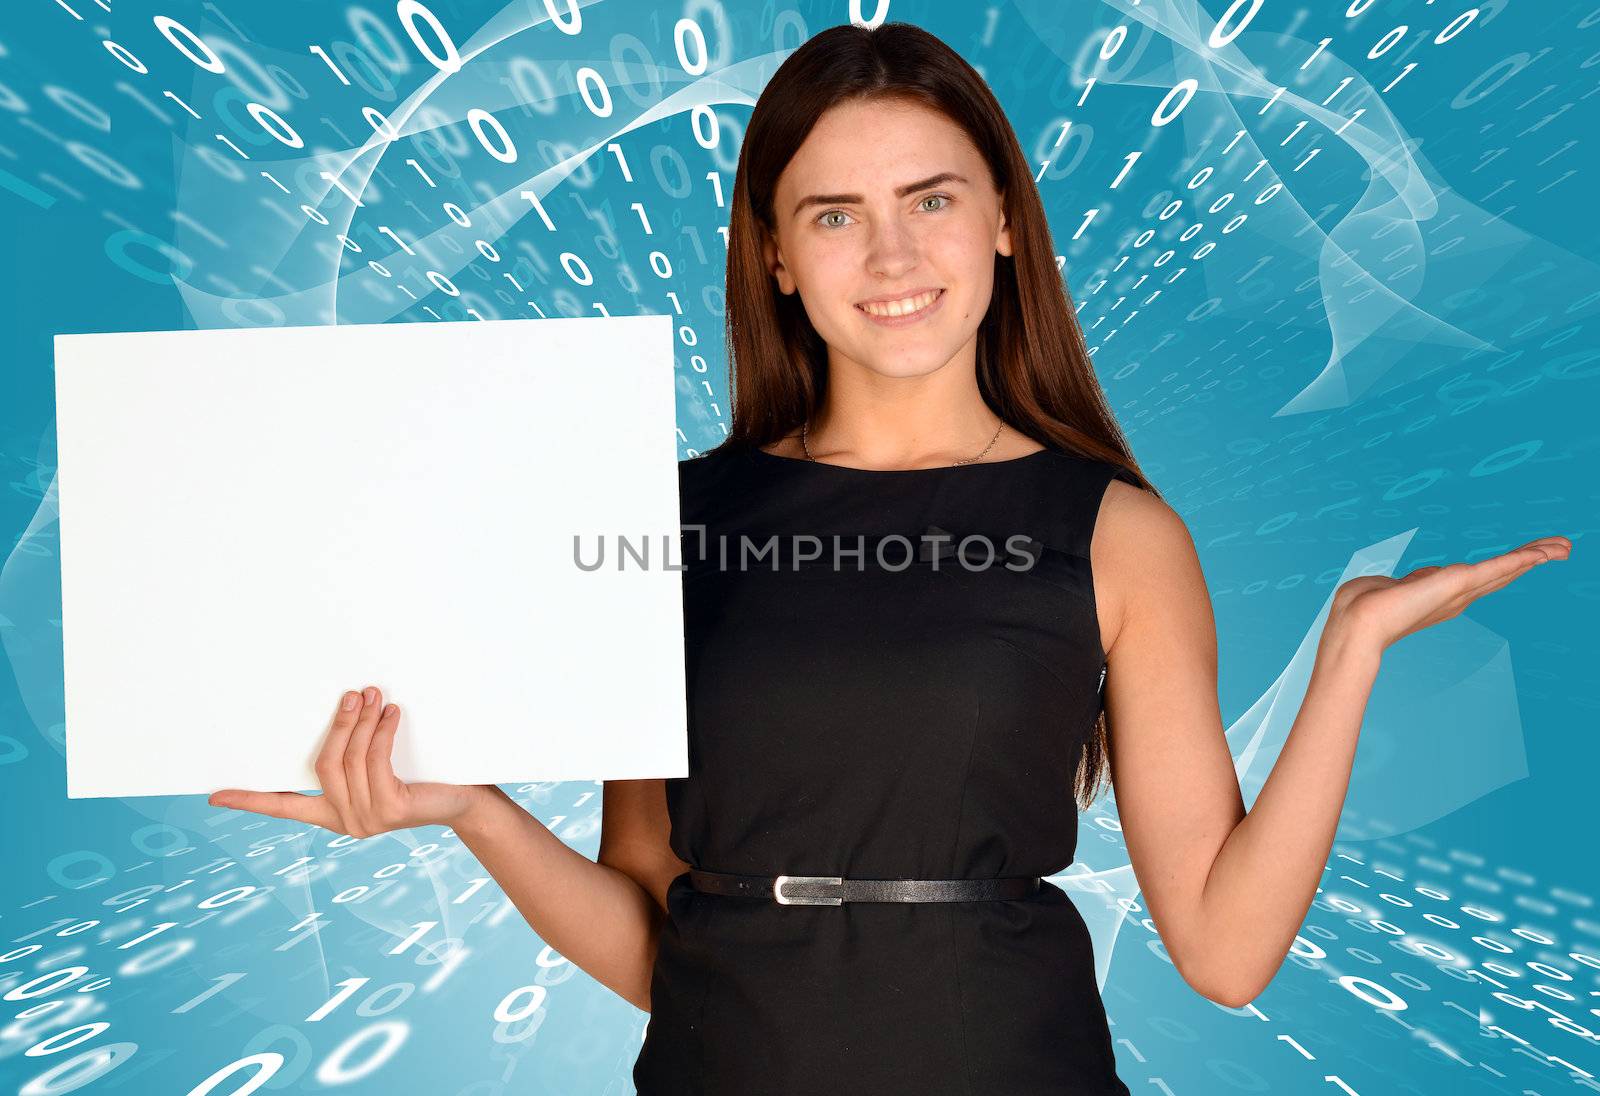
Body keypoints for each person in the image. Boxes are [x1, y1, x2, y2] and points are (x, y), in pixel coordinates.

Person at [207, 21, 1570, 1096]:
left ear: (1003, 223)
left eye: (931, 198)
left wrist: (1348, 654)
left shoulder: (1118, 534)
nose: (894, 252)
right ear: (777, 258)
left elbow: (1223, 949)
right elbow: (655, 943)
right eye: (836, 213)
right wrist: (478, 812)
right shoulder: (664, 523)